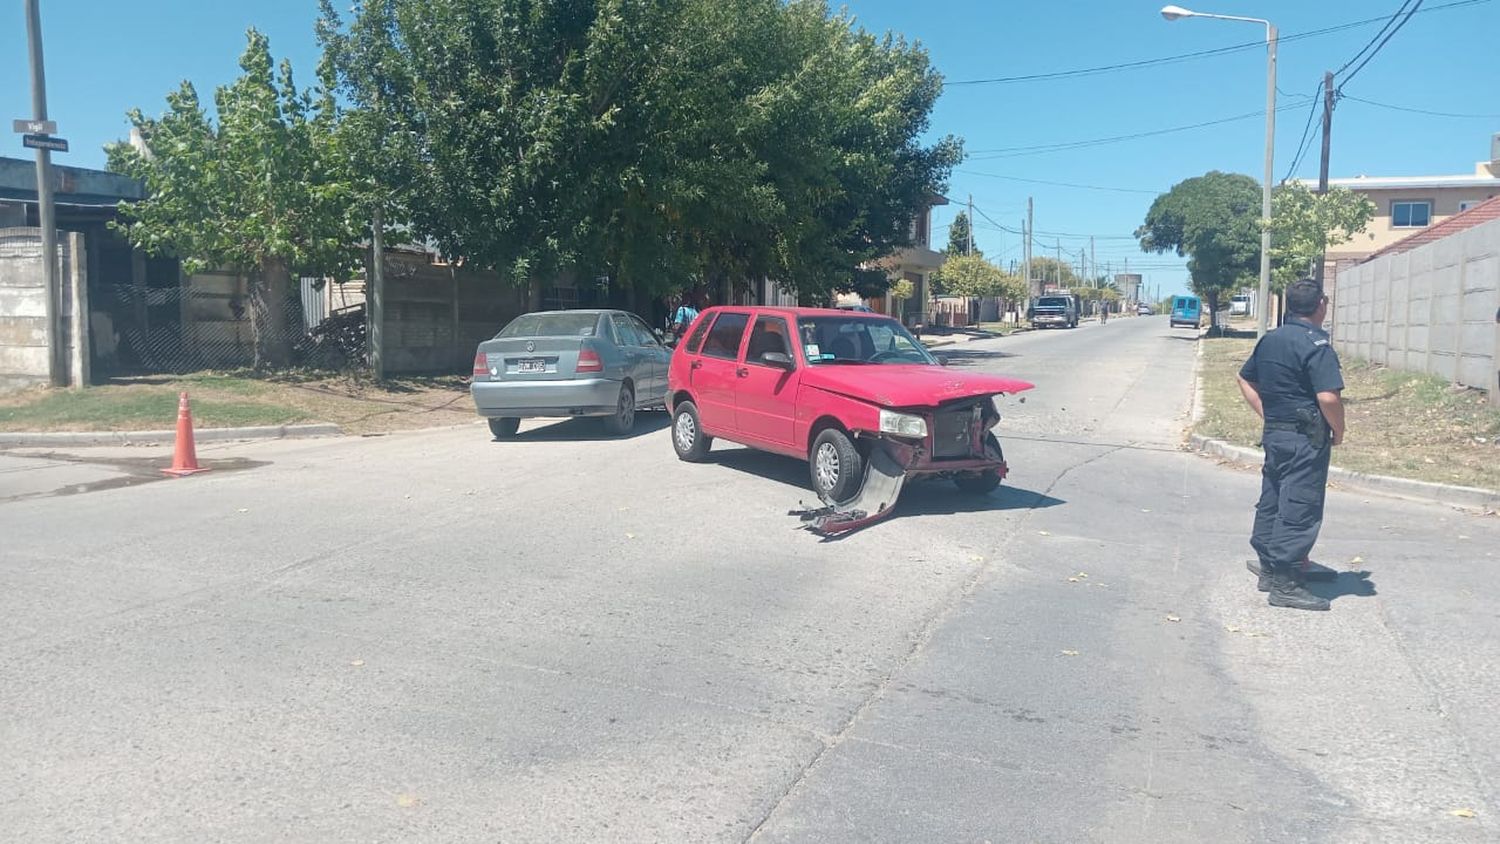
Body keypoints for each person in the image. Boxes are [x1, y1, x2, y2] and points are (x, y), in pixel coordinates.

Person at [1235, 279, 1346, 611]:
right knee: (1299, 506)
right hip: (1305, 437)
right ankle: (1285, 583)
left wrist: (1267, 414)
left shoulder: (1271, 339)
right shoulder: (1316, 345)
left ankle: (1269, 569)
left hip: (1276, 433)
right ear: (1321, 305)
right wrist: (1338, 431)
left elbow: (1244, 377)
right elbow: (1328, 397)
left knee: (1273, 499)